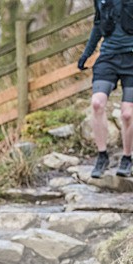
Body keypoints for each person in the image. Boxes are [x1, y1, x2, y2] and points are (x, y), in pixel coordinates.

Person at [78, 0, 133, 178]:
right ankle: (102, 156)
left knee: (127, 114)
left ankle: (127, 157)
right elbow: (97, 25)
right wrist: (86, 54)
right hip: (108, 58)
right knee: (97, 104)